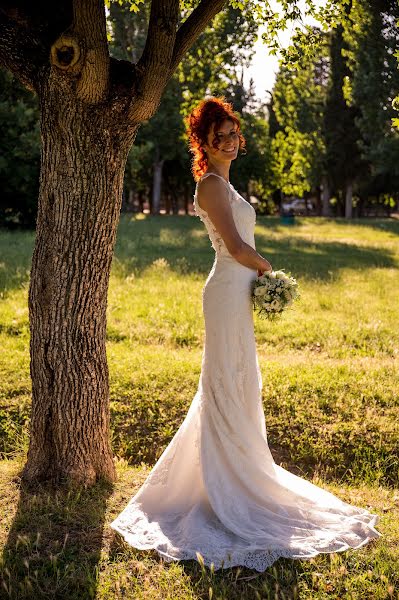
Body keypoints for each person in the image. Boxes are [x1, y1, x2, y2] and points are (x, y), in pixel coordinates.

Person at [110, 97, 380, 572]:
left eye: (235, 134)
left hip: (240, 292)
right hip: (226, 289)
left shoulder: (226, 183)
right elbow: (235, 247)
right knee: (225, 382)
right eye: (222, 137)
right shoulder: (210, 186)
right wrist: (268, 269)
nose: (232, 142)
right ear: (205, 143)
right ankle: (223, 486)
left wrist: (259, 278)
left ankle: (240, 471)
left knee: (240, 381)